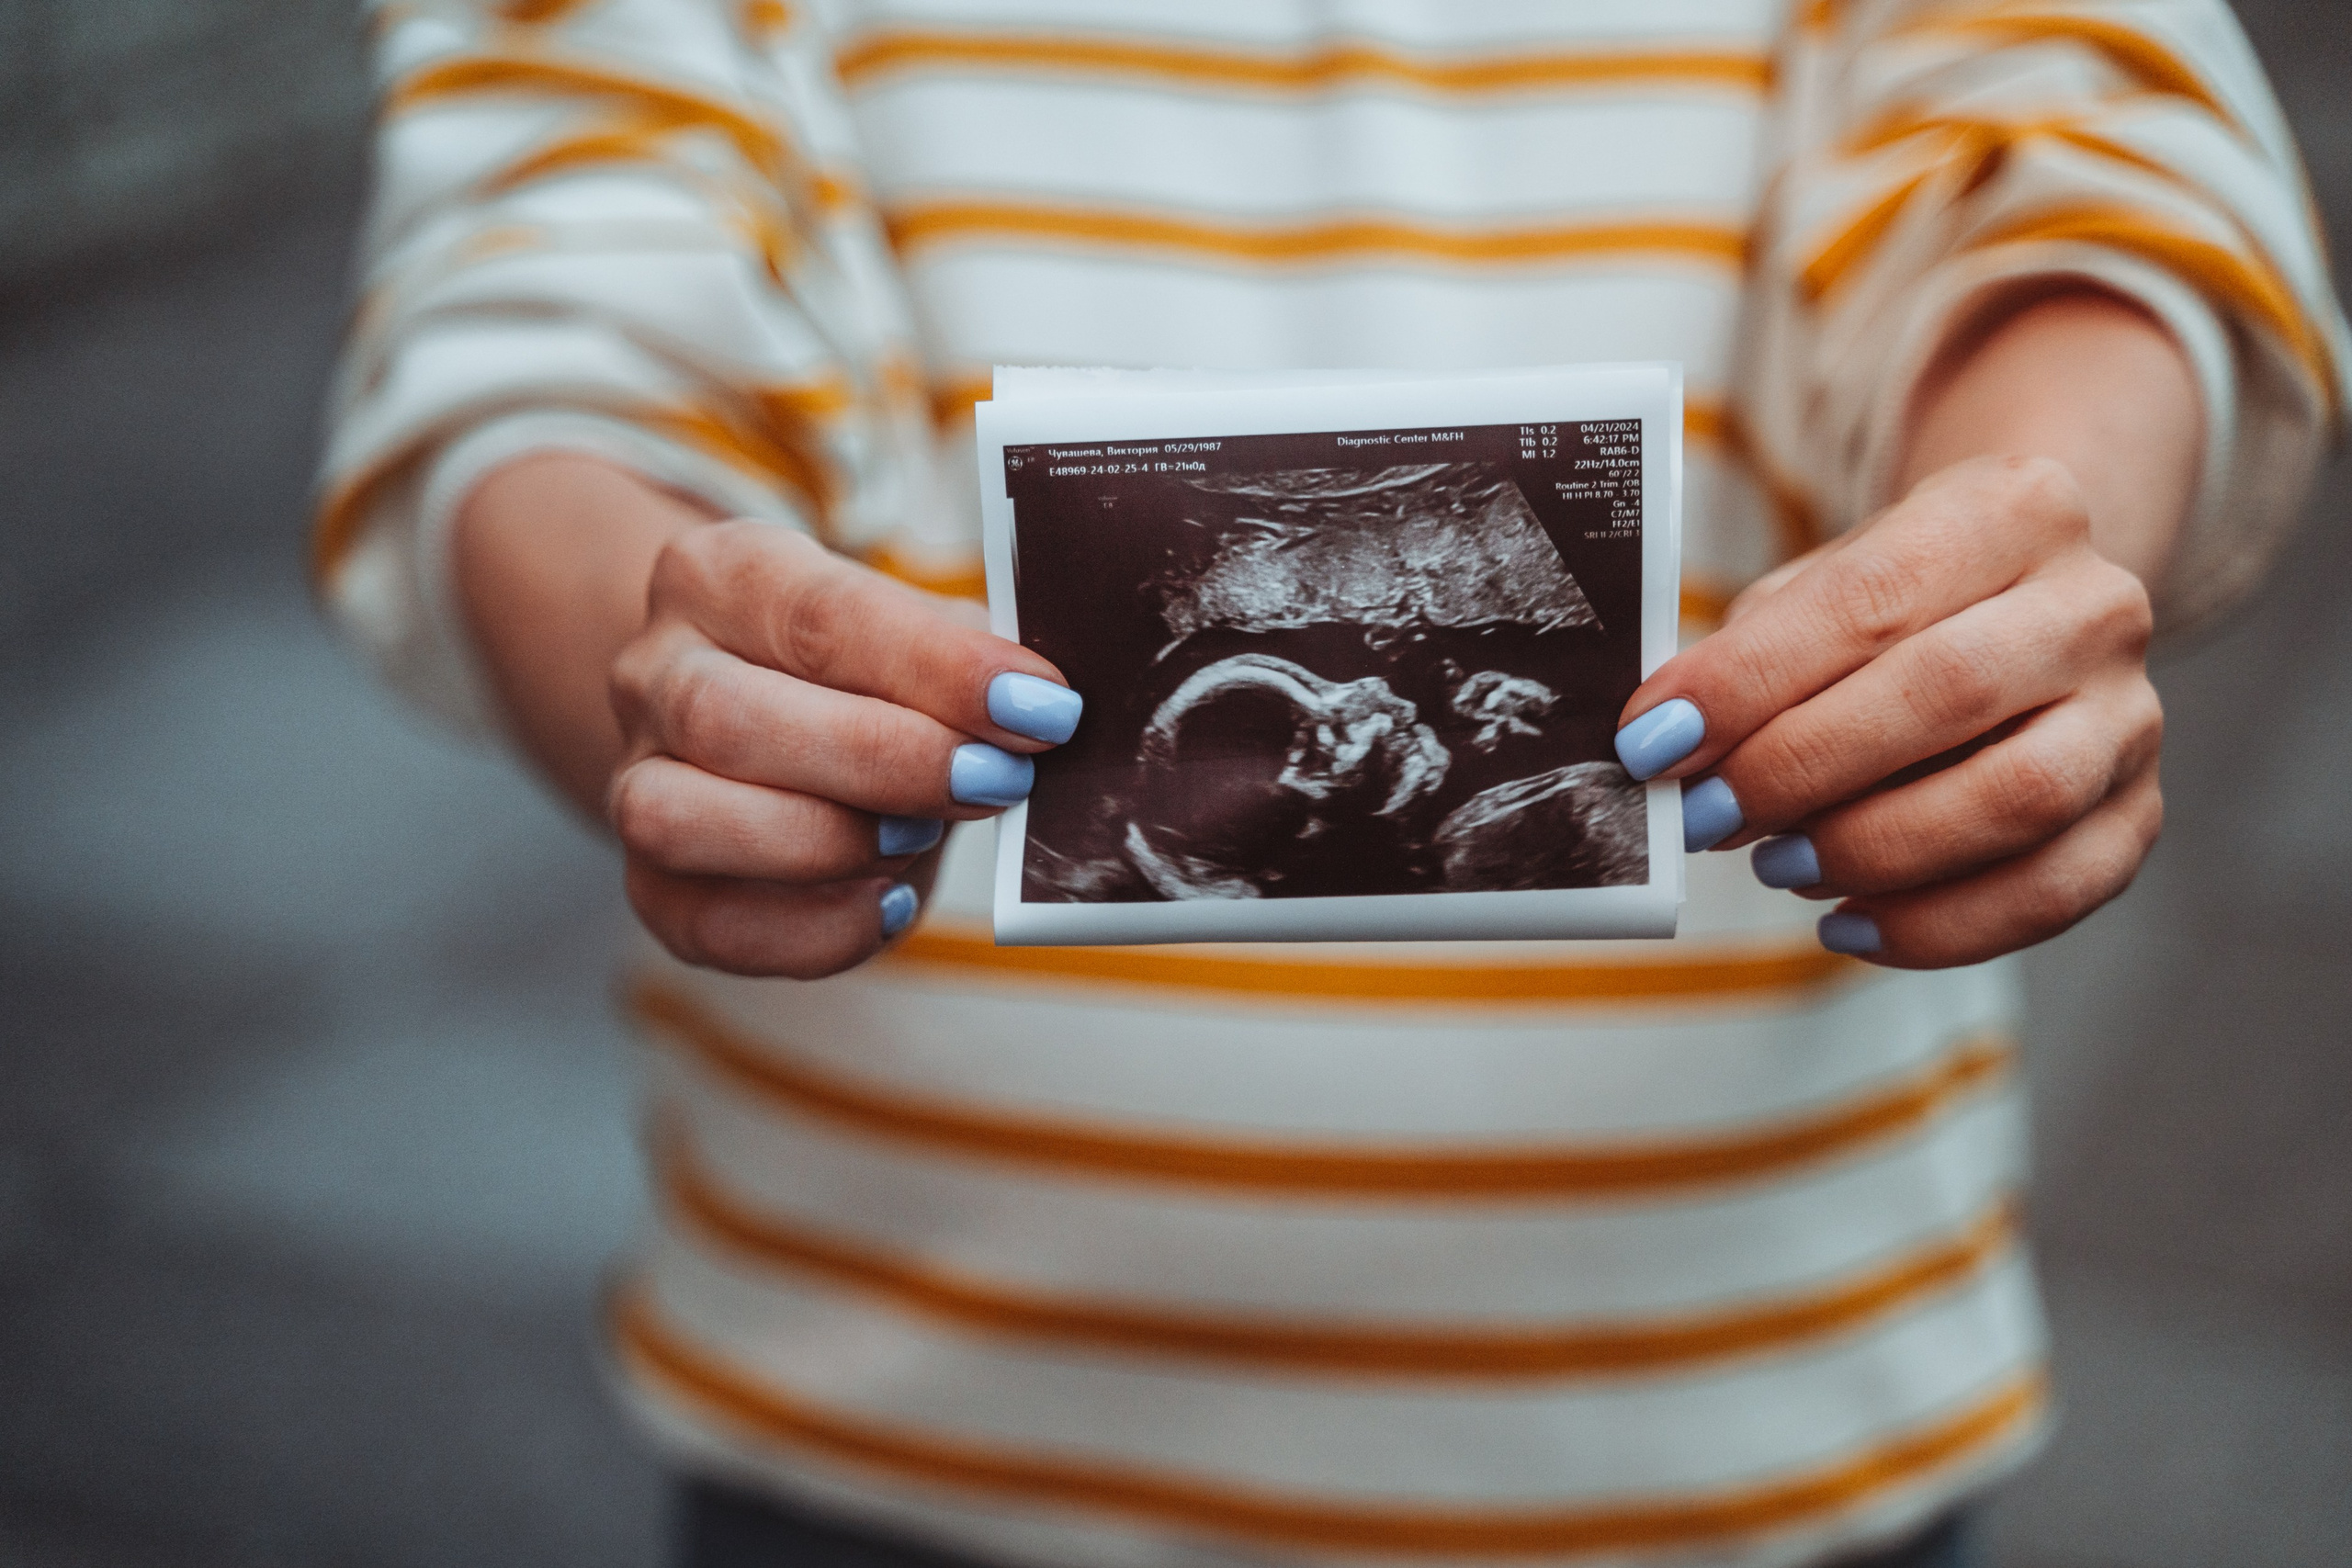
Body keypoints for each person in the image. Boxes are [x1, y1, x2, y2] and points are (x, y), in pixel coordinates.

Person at [316, 3, 2346, 1565]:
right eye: (1296, 736)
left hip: (1761, 1417)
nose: (1359, 726)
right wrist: (650, 655)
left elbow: (2076, 142)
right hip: (878, 1409)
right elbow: (546, 294)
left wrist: (2026, 523)